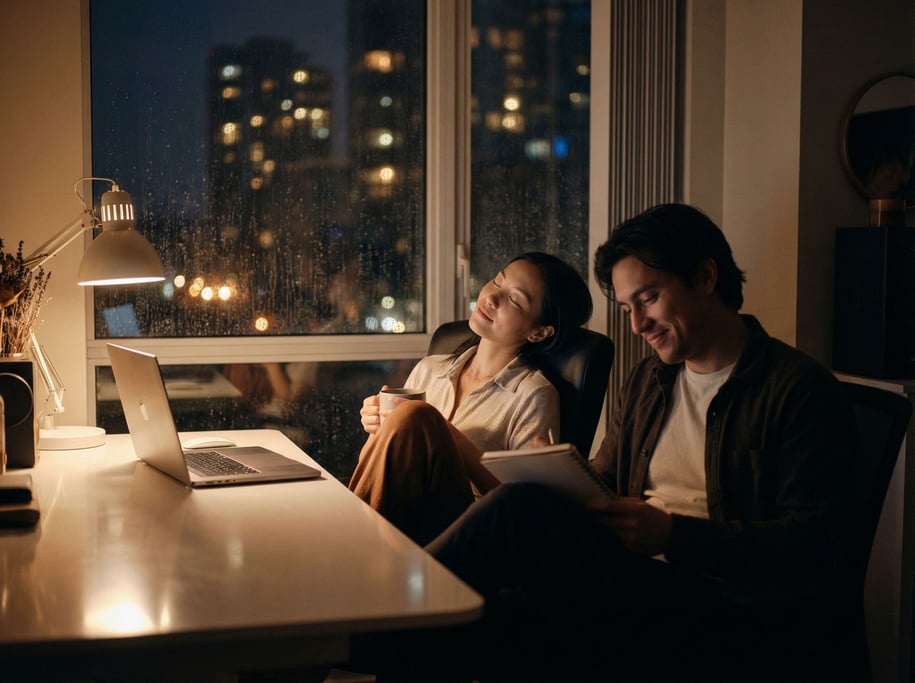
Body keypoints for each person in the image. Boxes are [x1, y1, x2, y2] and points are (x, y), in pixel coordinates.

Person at [400, 204, 858, 681]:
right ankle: (394, 624)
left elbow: (817, 544)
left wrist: (672, 535)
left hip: (720, 599)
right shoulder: (651, 379)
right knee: (489, 609)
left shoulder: (798, 389)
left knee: (510, 529)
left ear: (705, 277)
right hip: (634, 572)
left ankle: (384, 617)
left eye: (650, 299)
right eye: (627, 308)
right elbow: (608, 478)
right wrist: (558, 469)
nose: (638, 325)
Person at [348, 252, 593, 545]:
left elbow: (523, 506)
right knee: (411, 416)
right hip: (403, 513)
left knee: (418, 415)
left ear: (539, 332)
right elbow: (374, 476)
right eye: (496, 281)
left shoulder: (534, 396)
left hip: (467, 532)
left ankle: (351, 543)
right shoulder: (430, 369)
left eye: (514, 300)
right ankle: (356, 544)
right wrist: (382, 429)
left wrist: (440, 430)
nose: (491, 298)